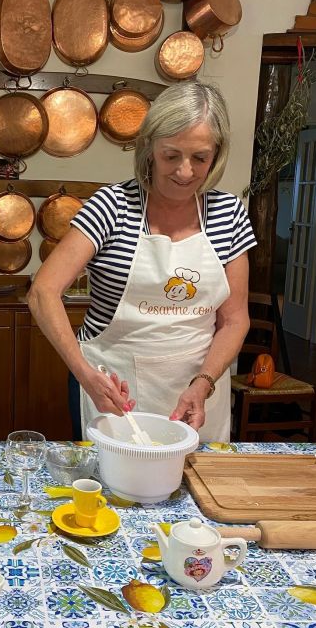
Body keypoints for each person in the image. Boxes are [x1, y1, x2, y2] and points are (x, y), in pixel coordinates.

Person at [28, 81, 256, 443]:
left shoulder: (229, 214)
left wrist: (204, 383)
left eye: (200, 158)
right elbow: (43, 292)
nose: (185, 172)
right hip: (115, 390)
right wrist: (84, 373)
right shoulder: (112, 206)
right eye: (171, 155)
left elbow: (234, 319)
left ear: (217, 154)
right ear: (149, 147)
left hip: (198, 389)